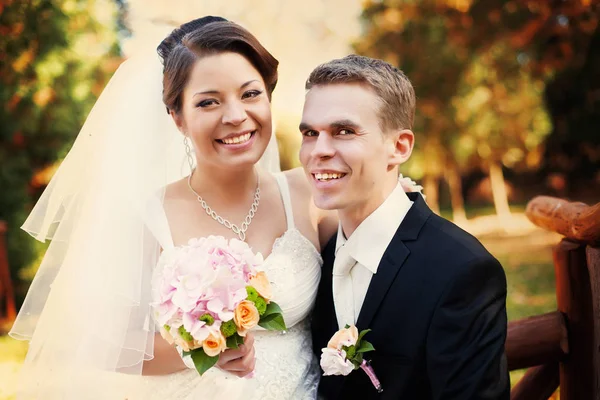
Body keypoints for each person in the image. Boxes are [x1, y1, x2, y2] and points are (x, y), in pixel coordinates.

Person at [9, 17, 337, 399]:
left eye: (250, 94)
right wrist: (196, 349)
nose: (234, 116)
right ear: (177, 118)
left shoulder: (310, 193)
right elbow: (100, 344)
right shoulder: (148, 216)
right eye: (208, 102)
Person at [302, 55, 511, 399]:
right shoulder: (316, 258)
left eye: (344, 131)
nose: (318, 151)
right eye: (310, 133)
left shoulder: (462, 271)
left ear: (399, 147)